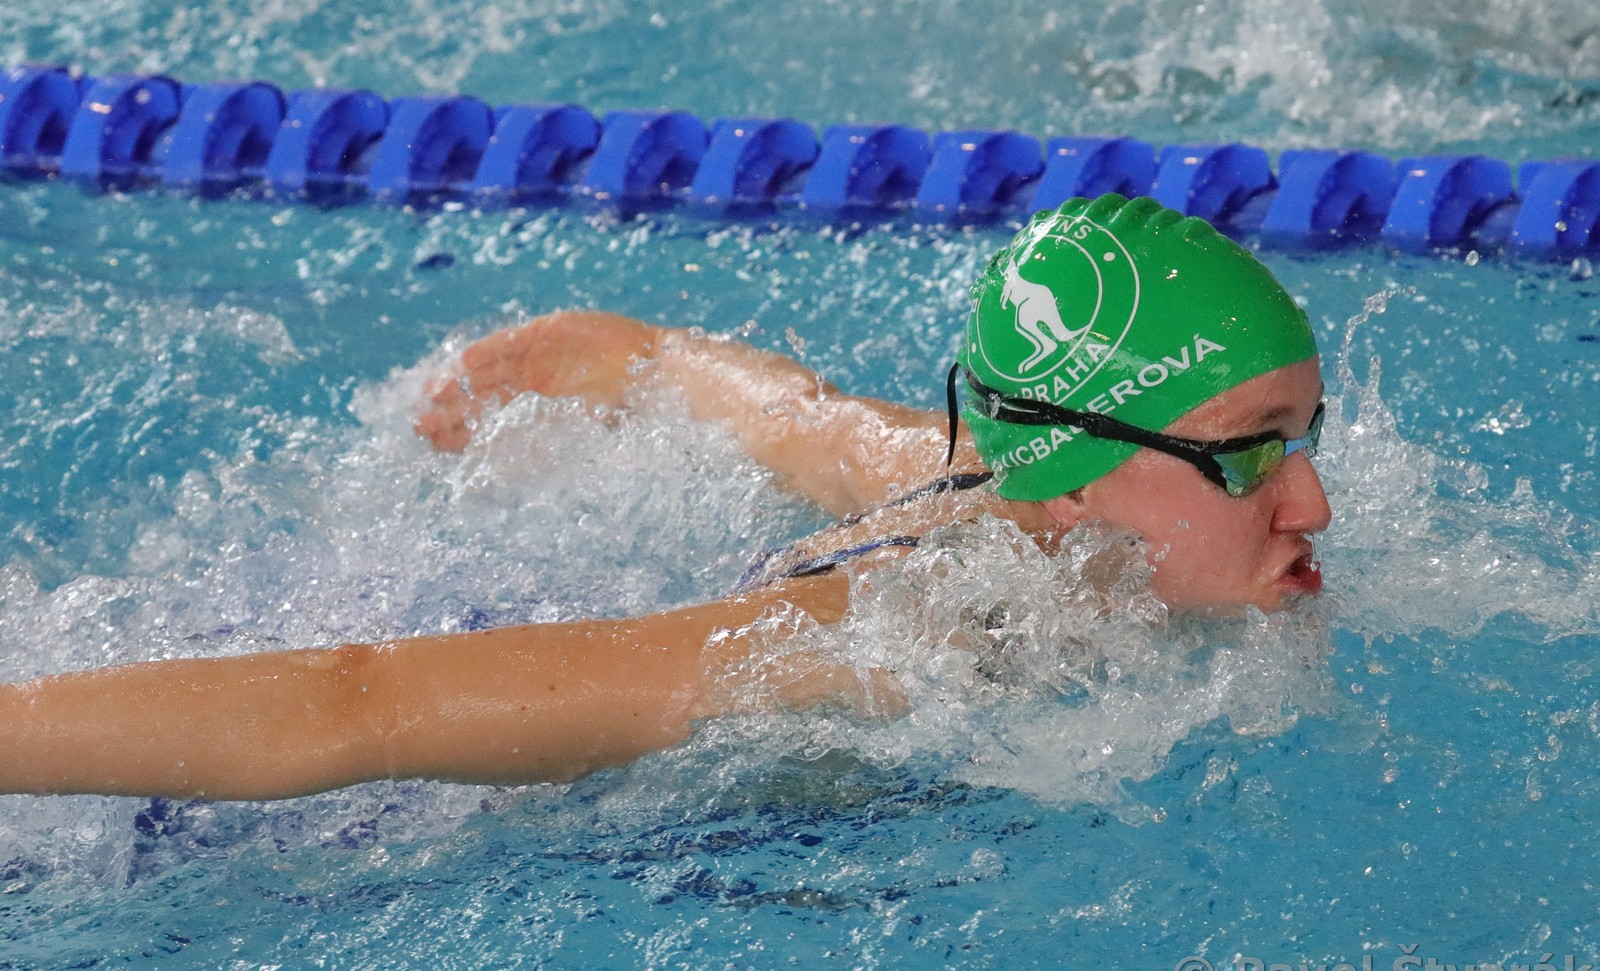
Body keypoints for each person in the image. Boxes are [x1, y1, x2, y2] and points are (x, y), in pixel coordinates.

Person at [0, 193, 1330, 801]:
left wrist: (635, 356)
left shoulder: (996, 473)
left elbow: (796, 414)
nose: (1313, 502)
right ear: (1069, 481)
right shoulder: (904, 635)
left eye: (1301, 434)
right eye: (1251, 450)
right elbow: (358, 704)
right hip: (274, 777)